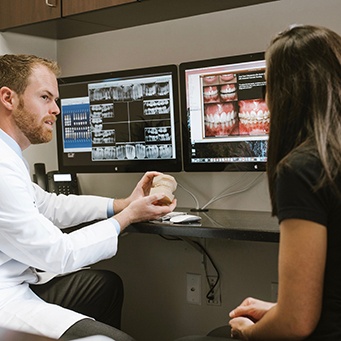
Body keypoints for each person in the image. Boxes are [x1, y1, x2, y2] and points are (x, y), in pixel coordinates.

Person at [0, 54, 177, 340]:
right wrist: (128, 217)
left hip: (19, 279)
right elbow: (59, 254)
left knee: (104, 286)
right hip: (5, 301)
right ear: (9, 98)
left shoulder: (8, 153)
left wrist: (121, 204)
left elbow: (48, 205)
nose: (56, 109)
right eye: (45, 97)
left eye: (55, 100)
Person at [228, 24, 341, 340]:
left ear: (284, 93)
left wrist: (249, 333)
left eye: (267, 85)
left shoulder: (304, 169)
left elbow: (296, 323)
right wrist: (279, 309)